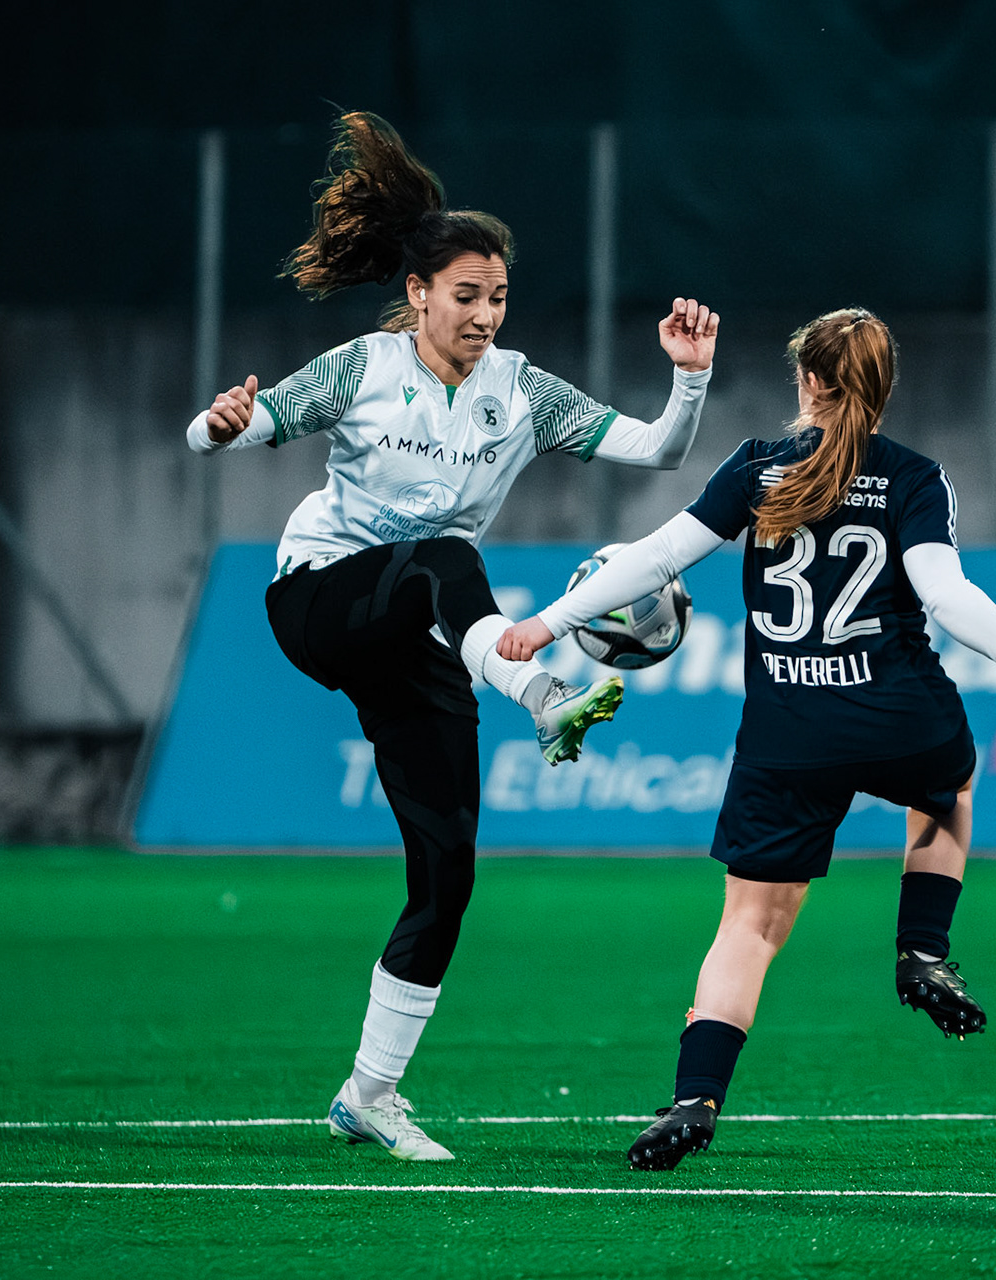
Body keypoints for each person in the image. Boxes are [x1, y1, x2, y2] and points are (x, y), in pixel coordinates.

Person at [187, 112, 721, 1162]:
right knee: (444, 555)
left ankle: (370, 1091)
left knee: (448, 869)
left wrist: (689, 376)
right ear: (420, 294)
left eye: (499, 297)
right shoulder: (361, 368)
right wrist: (220, 421)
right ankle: (539, 695)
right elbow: (235, 431)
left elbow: (658, 452)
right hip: (320, 601)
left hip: (426, 630)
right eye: (465, 295)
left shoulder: (523, 391)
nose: (484, 314)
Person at [498, 308, 996, 1170]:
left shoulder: (759, 467)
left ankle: (694, 1099)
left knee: (749, 924)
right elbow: (947, 597)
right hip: (897, 712)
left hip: (788, 728)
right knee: (951, 785)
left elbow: (657, 557)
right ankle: (922, 951)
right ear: (883, 389)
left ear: (807, 381)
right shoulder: (913, 476)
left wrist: (552, 622)